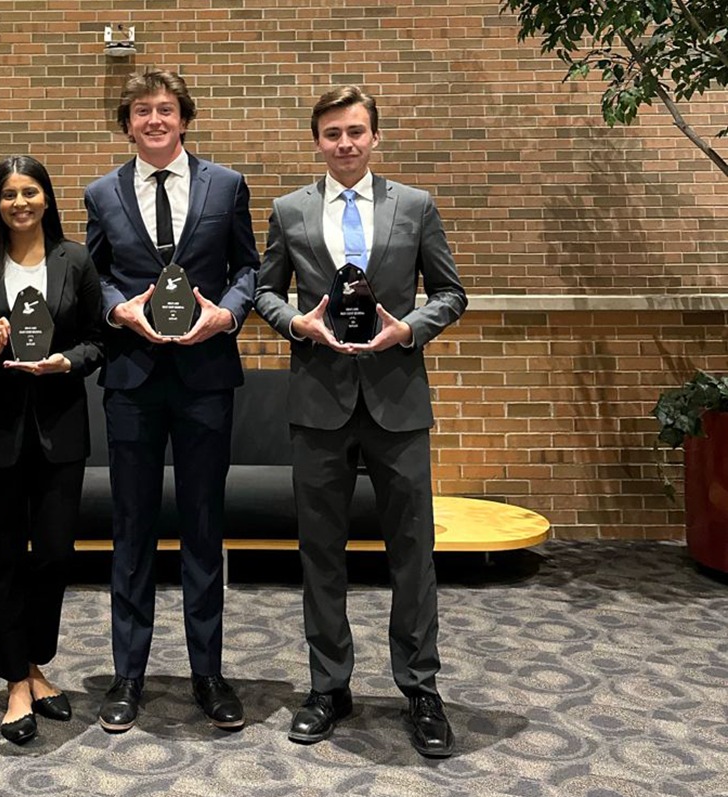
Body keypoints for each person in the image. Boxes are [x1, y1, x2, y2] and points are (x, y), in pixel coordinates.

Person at [254, 85, 467, 757]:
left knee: (412, 550)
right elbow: (263, 288)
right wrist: (296, 321)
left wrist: (409, 327)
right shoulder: (289, 210)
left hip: (397, 399)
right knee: (320, 550)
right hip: (318, 401)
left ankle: (421, 688)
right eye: (331, 133)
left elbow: (453, 293)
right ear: (316, 141)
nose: (344, 143)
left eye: (355, 131)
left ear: (374, 136)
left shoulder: (416, 206)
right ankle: (328, 684)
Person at [83, 70, 259, 733]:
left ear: (184, 118)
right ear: (126, 123)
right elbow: (93, 274)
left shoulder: (227, 185)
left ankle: (208, 674)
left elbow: (250, 267)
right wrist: (117, 308)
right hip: (132, 377)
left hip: (206, 376)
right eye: (140, 111)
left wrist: (229, 313)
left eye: (165, 109)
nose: (154, 119)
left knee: (204, 527)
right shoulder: (101, 193)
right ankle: (127, 674)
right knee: (130, 529)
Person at [0, 155, 104, 745]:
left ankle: (36, 660)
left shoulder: (75, 259)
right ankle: (16, 681)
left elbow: (97, 339)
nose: (20, 203)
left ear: (47, 198)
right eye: (8, 194)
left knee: (56, 553)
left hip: (61, 426)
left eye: (30, 191)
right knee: (4, 554)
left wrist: (69, 361)